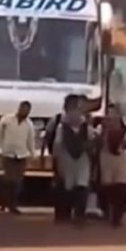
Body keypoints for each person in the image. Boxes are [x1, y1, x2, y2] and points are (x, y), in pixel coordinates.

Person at [52, 95, 94, 226]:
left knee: (82, 185)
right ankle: (64, 213)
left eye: (77, 107)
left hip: (82, 160)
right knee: (67, 186)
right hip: (66, 159)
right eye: (73, 107)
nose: (76, 111)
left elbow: (92, 142)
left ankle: (79, 214)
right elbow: (57, 145)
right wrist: (55, 162)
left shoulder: (86, 126)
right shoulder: (60, 126)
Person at [43, 94, 79, 222]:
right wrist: (52, 154)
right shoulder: (57, 120)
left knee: (73, 185)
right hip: (61, 157)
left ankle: (68, 212)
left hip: (76, 159)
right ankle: (61, 213)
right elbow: (48, 137)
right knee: (61, 184)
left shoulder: (82, 120)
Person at [0, 101, 35, 214]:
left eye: (27, 110)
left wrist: (33, 154)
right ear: (19, 108)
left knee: (17, 182)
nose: (25, 111)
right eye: (23, 108)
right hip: (8, 154)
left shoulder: (29, 124)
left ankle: (13, 205)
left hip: (21, 155)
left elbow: (30, 140)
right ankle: (3, 203)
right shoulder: (7, 120)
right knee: (7, 181)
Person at [97, 104, 126, 227]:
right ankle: (108, 211)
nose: (111, 116)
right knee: (107, 186)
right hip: (106, 158)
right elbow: (99, 142)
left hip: (119, 159)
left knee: (120, 186)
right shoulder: (102, 127)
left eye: (114, 113)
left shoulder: (125, 129)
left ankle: (117, 216)